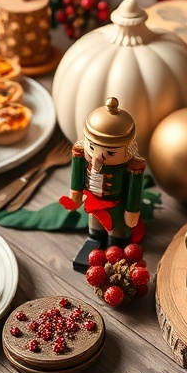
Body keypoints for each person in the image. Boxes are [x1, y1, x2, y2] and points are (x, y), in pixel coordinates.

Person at [61, 97, 146, 270]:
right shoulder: (81, 156)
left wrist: (132, 209)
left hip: (116, 207)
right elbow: (77, 177)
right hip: (93, 203)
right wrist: (75, 194)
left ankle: (115, 250)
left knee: (117, 233)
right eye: (92, 148)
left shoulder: (131, 168)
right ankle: (95, 243)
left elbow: (133, 189)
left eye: (110, 153)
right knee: (95, 228)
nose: (99, 157)